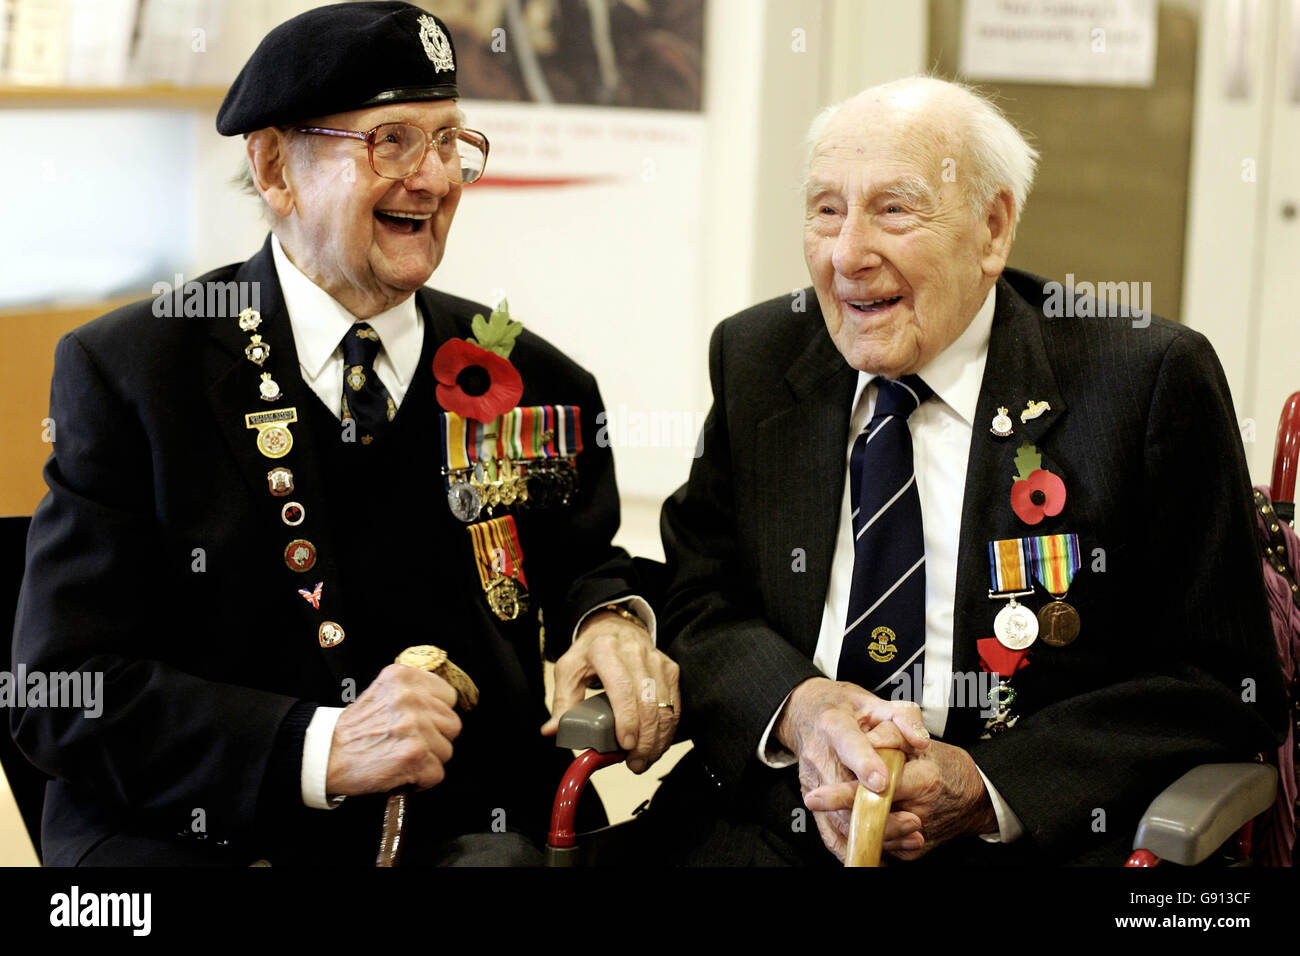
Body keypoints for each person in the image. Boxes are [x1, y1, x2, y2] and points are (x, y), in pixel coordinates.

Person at [11, 2, 679, 866]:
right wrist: (320, 747)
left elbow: (583, 561)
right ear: (275, 168)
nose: (433, 180)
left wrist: (612, 620)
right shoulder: (136, 372)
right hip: (206, 834)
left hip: (470, 834)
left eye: (449, 143)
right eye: (391, 141)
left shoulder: (528, 378)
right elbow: (63, 694)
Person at [657, 76, 1288, 865]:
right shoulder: (759, 356)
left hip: (1024, 840)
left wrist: (988, 784)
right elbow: (697, 597)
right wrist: (798, 709)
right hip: (781, 815)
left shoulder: (1145, 381)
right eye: (826, 209)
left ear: (993, 229)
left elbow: (1221, 686)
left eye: (893, 209)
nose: (848, 253)